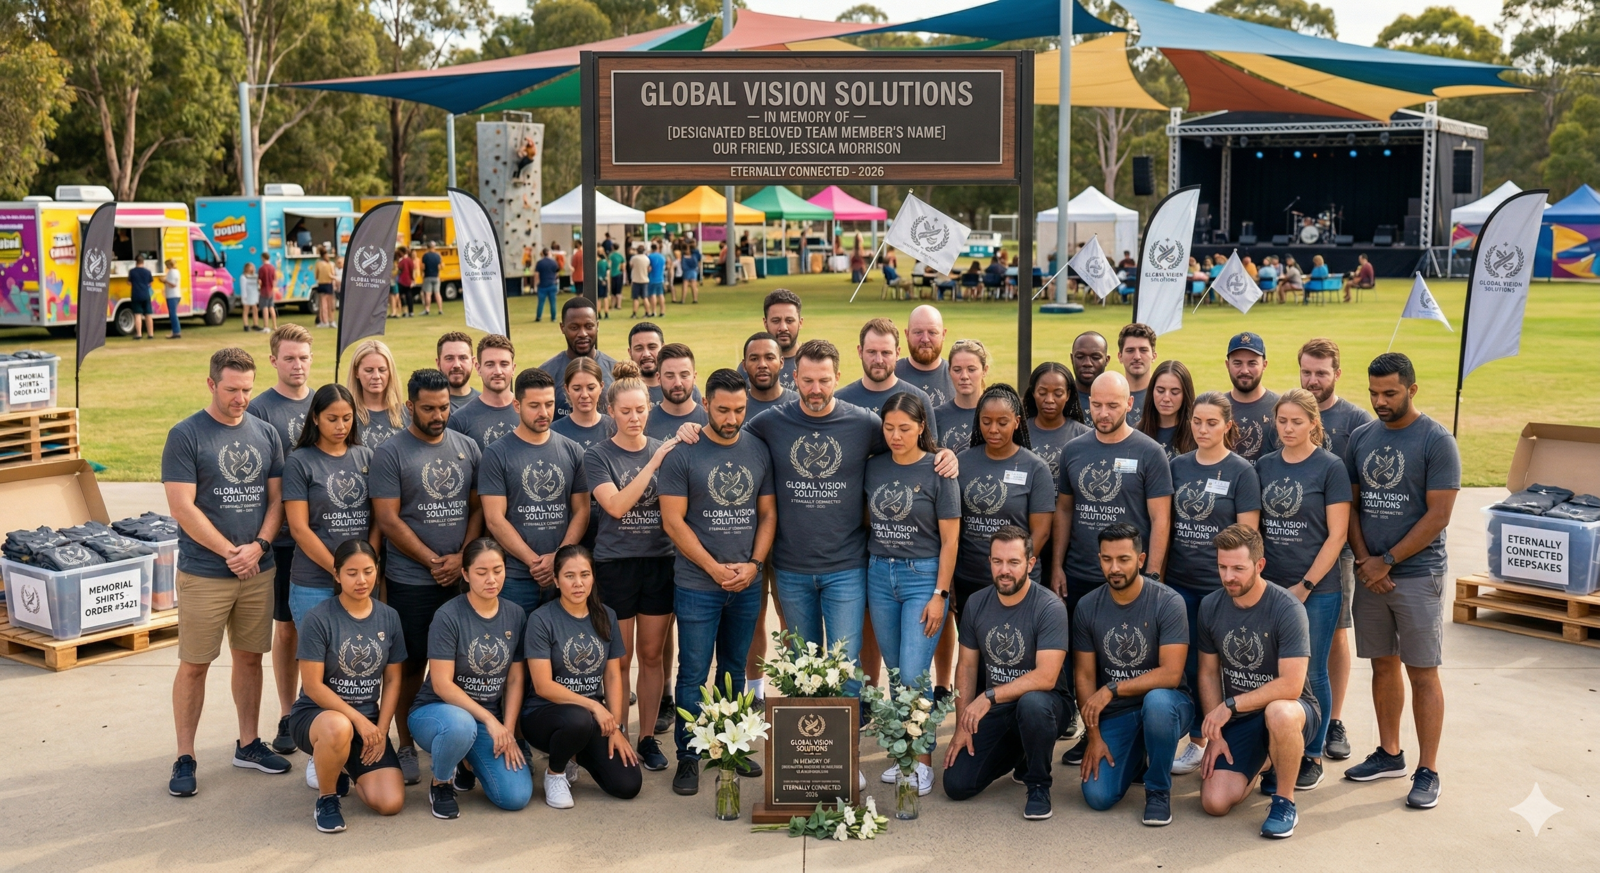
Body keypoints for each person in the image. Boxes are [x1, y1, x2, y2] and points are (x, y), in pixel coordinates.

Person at [742, 339, 958, 698]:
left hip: (847, 566)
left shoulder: (865, 424)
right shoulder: (770, 423)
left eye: (824, 380)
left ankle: (848, 742)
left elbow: (905, 442)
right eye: (807, 380)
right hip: (791, 567)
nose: (816, 389)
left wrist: (945, 454)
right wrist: (694, 432)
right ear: (794, 377)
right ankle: (810, 746)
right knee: (802, 667)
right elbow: (730, 440)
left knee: (846, 666)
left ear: (837, 377)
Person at [162, 347, 290, 797]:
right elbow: (182, 507)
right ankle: (185, 755)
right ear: (212, 384)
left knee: (250, 658)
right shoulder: (186, 435)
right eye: (232, 389)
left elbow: (276, 501)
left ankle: (249, 743)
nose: (241, 398)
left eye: (247, 390)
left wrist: (258, 546)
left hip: (258, 568)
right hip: (205, 573)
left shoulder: (266, 433)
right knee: (195, 664)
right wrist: (230, 552)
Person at [1341, 353, 1459, 810]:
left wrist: (1386, 561)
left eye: (1389, 393)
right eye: (1373, 392)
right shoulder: (1361, 437)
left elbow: (1439, 515)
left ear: (1412, 389)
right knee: (1382, 665)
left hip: (1416, 575)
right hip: (1371, 574)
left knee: (1422, 671)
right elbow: (1350, 505)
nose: (1379, 401)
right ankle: (1390, 753)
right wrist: (1366, 560)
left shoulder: (1436, 440)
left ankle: (1427, 769)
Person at [658, 369, 777, 794]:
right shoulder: (683, 454)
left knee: (733, 670)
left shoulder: (758, 449)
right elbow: (672, 521)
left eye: (740, 409)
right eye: (723, 409)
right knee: (692, 673)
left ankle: (733, 746)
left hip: (745, 584)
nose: (732, 418)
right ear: (704, 403)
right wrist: (712, 568)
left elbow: (767, 514)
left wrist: (754, 564)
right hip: (697, 584)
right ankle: (689, 755)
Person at [370, 368, 484, 785]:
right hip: (411, 582)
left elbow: (476, 507)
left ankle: (462, 748)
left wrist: (460, 558)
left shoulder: (467, 447)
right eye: (429, 408)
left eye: (445, 407)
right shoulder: (390, 452)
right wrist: (435, 560)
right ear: (410, 406)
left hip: (458, 578)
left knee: (462, 665)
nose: (439, 416)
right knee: (410, 665)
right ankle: (403, 746)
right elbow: (387, 518)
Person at [863, 392, 960, 794]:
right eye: (889, 428)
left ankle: (921, 762)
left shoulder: (940, 470)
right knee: (898, 672)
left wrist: (940, 593)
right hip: (879, 575)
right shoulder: (874, 467)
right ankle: (903, 753)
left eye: (905, 428)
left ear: (922, 427)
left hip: (923, 578)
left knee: (916, 675)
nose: (896, 436)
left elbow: (951, 541)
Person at [943, 527, 1076, 820]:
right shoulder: (977, 603)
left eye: (1013, 562)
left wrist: (989, 696)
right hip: (1001, 709)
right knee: (956, 785)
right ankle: (1022, 750)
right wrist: (962, 725)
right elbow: (965, 666)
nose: (1004, 571)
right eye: (997, 561)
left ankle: (1039, 783)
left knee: (1032, 705)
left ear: (1030, 564)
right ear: (989, 562)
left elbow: (1046, 677)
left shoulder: (1049, 607)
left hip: (1048, 705)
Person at [1256, 388, 1351, 793]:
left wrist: (1306, 585)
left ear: (1314, 422)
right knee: (1270, 673)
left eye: (1297, 421)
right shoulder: (1263, 465)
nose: (1289, 428)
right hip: (1271, 588)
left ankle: (1311, 753)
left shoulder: (1330, 467)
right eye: (1282, 421)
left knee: (1310, 674)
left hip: (1318, 588)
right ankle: (1276, 752)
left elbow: (1338, 535)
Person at [1197, 524, 1318, 838]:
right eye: (1222, 567)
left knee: (1278, 712)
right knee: (1214, 802)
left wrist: (1230, 705)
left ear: (1259, 565)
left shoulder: (1287, 609)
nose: (1228, 577)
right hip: (1242, 718)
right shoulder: (1210, 606)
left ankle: (1284, 801)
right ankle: (1266, 759)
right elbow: (1208, 673)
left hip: (1294, 711)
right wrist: (1216, 734)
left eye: (1238, 568)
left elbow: (1292, 685)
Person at [1163, 391, 1261, 776]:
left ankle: (1235, 739)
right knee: (1190, 666)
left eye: (1212, 423)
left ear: (1227, 426)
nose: (1203, 429)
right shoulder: (1178, 466)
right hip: (1181, 585)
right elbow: (1167, 526)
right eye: (1198, 422)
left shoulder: (1241, 472)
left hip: (1223, 588)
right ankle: (1197, 741)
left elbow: (1248, 534)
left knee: (1232, 665)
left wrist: (1236, 580)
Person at [585, 363, 678, 768]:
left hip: (658, 562)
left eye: (641, 410)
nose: (635, 418)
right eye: (626, 411)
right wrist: (654, 462)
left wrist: (660, 455)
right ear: (611, 411)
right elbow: (617, 506)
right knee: (619, 659)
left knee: (653, 655)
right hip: (616, 563)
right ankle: (617, 734)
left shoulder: (665, 449)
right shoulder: (598, 455)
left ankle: (646, 737)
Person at [1073, 523, 1191, 825]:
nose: (1114, 568)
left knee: (1158, 705)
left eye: (1123, 559)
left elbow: (1171, 674)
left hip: (1170, 704)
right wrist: (1094, 736)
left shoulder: (1168, 602)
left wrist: (1111, 689)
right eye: (1107, 559)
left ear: (1140, 560)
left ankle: (1158, 790)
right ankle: (1138, 755)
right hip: (1119, 714)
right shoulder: (1087, 607)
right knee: (1097, 796)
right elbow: (1085, 677)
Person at [407, 539, 534, 818]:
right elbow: (441, 684)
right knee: (461, 726)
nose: (491, 579)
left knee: (516, 796)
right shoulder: (448, 615)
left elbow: (514, 679)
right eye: (481, 572)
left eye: (498, 570)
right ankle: (441, 782)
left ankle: (466, 763)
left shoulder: (515, 614)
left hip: (486, 721)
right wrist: (491, 720)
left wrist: (508, 729)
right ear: (465, 574)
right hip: (438, 713)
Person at [291, 540, 407, 832]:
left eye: (368, 571)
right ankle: (327, 798)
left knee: (389, 803)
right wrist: (358, 721)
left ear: (377, 571)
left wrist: (380, 729)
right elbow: (313, 686)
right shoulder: (319, 618)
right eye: (352, 572)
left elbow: (393, 679)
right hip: (318, 716)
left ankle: (342, 764)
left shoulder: (389, 616)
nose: (361, 580)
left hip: (367, 721)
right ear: (336, 574)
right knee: (339, 727)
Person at [521, 544, 642, 807]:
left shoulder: (606, 615)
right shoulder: (542, 619)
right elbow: (542, 686)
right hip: (545, 715)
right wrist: (594, 707)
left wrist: (617, 728)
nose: (578, 583)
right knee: (578, 718)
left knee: (628, 784)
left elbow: (612, 676)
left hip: (589, 720)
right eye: (569, 576)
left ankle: (575, 757)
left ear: (593, 577)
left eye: (585, 575)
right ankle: (556, 773)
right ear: (555, 580)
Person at [1298, 339, 1372, 760]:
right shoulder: (1290, 414)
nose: (1313, 380)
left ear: (1337, 374)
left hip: (1338, 544)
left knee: (1336, 633)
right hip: (1292, 538)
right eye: (1307, 371)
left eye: (1321, 372)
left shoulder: (1355, 422)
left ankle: (1335, 719)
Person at [246, 325, 315, 756]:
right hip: (285, 541)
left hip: (326, 536)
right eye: (289, 358)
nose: (298, 365)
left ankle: (321, 706)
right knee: (287, 627)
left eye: (304, 357)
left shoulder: (324, 402)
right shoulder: (259, 409)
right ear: (274, 360)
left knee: (326, 627)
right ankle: (290, 713)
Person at [1053, 372, 1174, 615]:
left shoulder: (1149, 452)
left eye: (1112, 405)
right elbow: (1064, 510)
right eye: (1096, 405)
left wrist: (1151, 574)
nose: (1103, 413)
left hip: (1131, 578)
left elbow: (1161, 519)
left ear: (1129, 404)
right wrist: (1057, 565)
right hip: (1080, 574)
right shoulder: (1072, 450)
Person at [479, 367, 590, 615]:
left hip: (564, 576)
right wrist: (535, 563)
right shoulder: (497, 453)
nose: (544, 413)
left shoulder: (573, 451)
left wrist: (558, 557)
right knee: (516, 651)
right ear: (517, 405)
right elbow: (494, 519)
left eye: (549, 404)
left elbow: (582, 511)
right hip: (515, 577)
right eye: (534, 405)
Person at [283, 383, 378, 630]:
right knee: (319, 664)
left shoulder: (366, 456)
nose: (341, 426)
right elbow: (299, 528)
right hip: (314, 583)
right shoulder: (299, 462)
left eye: (347, 418)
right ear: (315, 418)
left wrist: (367, 567)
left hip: (361, 581)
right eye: (332, 419)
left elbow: (378, 519)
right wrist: (338, 571)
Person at [953, 385, 1055, 613]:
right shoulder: (963, 462)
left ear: (1017, 422)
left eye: (1002, 422)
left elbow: (1042, 532)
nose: (993, 429)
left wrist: (1013, 570)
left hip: (1017, 582)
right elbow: (953, 524)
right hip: (970, 577)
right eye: (986, 421)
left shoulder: (1035, 467)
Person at [836, 318, 939, 434]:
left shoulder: (919, 399)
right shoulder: (840, 401)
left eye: (886, 353)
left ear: (897, 353)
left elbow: (930, 450)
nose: (879, 360)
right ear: (860, 351)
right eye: (872, 352)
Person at [542, 297, 619, 417]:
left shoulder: (615, 371)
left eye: (589, 326)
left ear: (597, 326)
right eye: (574, 327)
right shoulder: (546, 373)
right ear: (562, 328)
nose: (583, 334)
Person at [446, 334, 518, 451]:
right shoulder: (459, 420)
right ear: (478, 368)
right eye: (490, 365)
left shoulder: (529, 412)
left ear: (513, 368)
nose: (498, 371)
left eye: (504, 364)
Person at [1024, 361, 1089, 487]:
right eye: (1042, 393)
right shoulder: (1018, 432)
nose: (1049, 400)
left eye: (1058, 394)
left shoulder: (1084, 435)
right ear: (1033, 393)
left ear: (1068, 395)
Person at [345, 339, 409, 450]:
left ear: (390, 371)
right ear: (356, 372)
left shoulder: (406, 414)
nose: (376, 376)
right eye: (369, 370)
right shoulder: (346, 416)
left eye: (382, 370)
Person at [1225, 332, 1280, 462]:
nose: (1244, 370)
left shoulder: (1281, 407)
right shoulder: (1216, 408)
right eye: (1237, 363)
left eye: (1252, 363)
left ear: (1264, 365)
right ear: (1227, 365)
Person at [933, 339, 989, 451]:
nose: (964, 376)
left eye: (971, 370)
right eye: (957, 370)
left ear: (984, 370)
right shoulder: (936, 416)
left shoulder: (997, 413)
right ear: (949, 371)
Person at [897, 305, 956, 407]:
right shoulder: (892, 375)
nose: (925, 339)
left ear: (943, 334)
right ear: (907, 334)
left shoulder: (958, 376)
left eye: (932, 332)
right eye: (918, 332)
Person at [1137, 360, 1196, 459]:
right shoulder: (1137, 432)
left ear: (1185, 395)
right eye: (1160, 391)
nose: (1166, 398)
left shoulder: (1197, 434)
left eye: (1175, 392)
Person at [646, 343, 706, 441]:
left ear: (694, 377)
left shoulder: (710, 422)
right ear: (658, 378)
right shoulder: (644, 423)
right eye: (670, 376)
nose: (678, 383)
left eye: (684, 375)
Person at [751, 289, 803, 391]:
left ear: (800, 323)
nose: (783, 327)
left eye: (789, 321)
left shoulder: (813, 361)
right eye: (776, 321)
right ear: (765, 323)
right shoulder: (751, 365)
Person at [740, 332, 798, 421]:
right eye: (754, 359)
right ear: (744, 365)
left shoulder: (799, 404)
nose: (762, 365)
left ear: (781, 362)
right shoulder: (735, 408)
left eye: (770, 358)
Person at [1116, 324, 1158, 427]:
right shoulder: (1112, 395)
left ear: (1154, 356)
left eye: (1143, 350)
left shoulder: (1163, 396)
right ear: (1120, 356)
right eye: (1130, 351)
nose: (1137, 357)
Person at [1070, 332, 1110, 424]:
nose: (1087, 363)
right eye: (1080, 357)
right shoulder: (1061, 399)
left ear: (1106, 360)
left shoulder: (1117, 399)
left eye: (1095, 357)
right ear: (1072, 359)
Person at [436, 332, 480, 410]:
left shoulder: (486, 404)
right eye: (449, 358)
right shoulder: (427, 406)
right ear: (438, 363)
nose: (456, 365)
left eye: (463, 358)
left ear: (473, 362)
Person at [128, 255, 156, 340]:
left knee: (137, 315)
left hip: (136, 294)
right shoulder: (147, 271)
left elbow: (129, 282)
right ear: (143, 262)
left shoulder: (132, 271)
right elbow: (150, 283)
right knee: (148, 314)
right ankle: (150, 334)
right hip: (146, 294)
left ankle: (139, 334)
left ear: (135, 262)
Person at [535, 248, 560, 323]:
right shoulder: (554, 262)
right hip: (552, 284)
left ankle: (538, 317)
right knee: (553, 302)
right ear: (549, 253)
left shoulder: (539, 263)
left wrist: (536, 284)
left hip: (542, 285)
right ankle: (553, 317)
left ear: (542, 253)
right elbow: (557, 273)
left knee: (541, 302)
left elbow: (537, 275)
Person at [314, 249, 337, 328]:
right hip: (329, 285)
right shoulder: (330, 264)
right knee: (331, 304)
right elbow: (333, 274)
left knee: (323, 305)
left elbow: (316, 275)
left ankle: (324, 321)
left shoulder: (318, 264)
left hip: (321, 285)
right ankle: (332, 321)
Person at [162, 258, 184, 339]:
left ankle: (176, 332)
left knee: (173, 314)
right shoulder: (176, 271)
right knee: (173, 314)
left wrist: (165, 281)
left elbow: (173, 284)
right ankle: (175, 331)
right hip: (174, 295)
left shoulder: (172, 272)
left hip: (173, 295)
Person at [420, 241, 444, 316]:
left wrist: (422, 273)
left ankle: (427, 309)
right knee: (437, 293)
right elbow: (441, 266)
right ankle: (440, 309)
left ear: (427, 247)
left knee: (428, 294)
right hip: (436, 277)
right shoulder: (438, 255)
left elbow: (423, 267)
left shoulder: (425, 256)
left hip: (428, 276)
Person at [628, 245, 651, 319]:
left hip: (636, 279)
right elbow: (648, 268)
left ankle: (634, 313)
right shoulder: (646, 259)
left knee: (635, 298)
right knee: (645, 297)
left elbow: (631, 266)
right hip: (644, 280)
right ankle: (647, 312)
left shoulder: (634, 258)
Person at [240, 261, 263, 333]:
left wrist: (259, 284)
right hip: (247, 296)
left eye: (253, 267)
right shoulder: (243, 277)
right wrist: (244, 296)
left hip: (254, 295)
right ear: (247, 268)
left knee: (255, 310)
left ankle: (255, 324)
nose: (252, 268)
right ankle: (246, 325)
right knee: (246, 310)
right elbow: (243, 287)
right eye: (251, 267)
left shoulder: (255, 276)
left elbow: (258, 287)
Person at [645, 242, 666, 317]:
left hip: (652, 278)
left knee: (652, 295)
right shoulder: (662, 257)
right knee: (661, 295)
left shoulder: (650, 256)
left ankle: (654, 311)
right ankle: (662, 311)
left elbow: (649, 268)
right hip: (660, 278)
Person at [395, 247, 416, 318]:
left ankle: (404, 312)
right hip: (408, 281)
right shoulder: (410, 260)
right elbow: (412, 271)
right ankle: (411, 311)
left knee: (402, 296)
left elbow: (398, 270)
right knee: (409, 296)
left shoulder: (401, 261)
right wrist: (413, 280)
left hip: (401, 281)